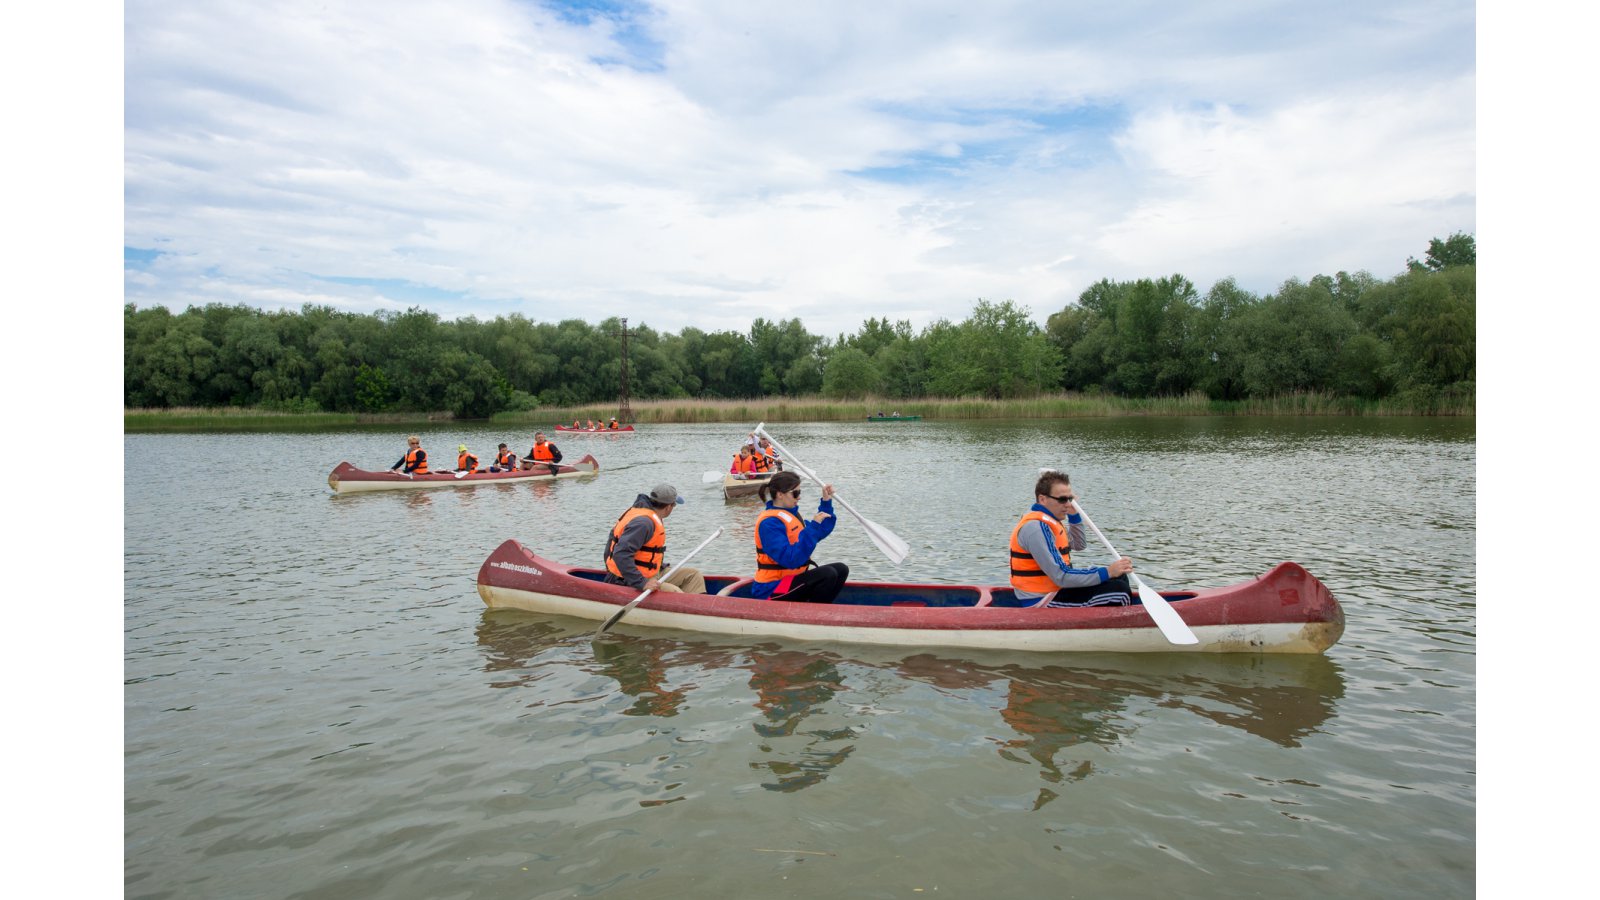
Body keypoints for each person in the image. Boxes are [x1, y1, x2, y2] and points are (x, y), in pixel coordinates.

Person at [1008, 470, 1133, 607]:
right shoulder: (1036, 528)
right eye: (1062, 499)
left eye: (1070, 499)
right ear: (1043, 499)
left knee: (1119, 576)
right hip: (1041, 600)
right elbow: (1061, 576)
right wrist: (1107, 571)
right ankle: (1125, 624)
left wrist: (1074, 515)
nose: (1067, 504)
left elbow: (1079, 544)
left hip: (1057, 589)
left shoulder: (1051, 522)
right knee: (1120, 591)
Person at [751, 471, 848, 603]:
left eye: (799, 492)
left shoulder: (791, 516)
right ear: (780, 494)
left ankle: (819, 610)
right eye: (795, 493)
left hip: (791, 579)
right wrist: (812, 527)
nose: (799, 497)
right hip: (771, 587)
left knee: (841, 569)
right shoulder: (769, 524)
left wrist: (826, 502)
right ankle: (812, 617)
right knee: (828, 574)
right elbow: (791, 559)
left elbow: (820, 531)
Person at [604, 483, 706, 595]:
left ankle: (700, 607)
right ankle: (688, 608)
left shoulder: (648, 516)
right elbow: (620, 554)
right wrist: (642, 583)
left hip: (651, 573)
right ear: (668, 507)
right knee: (676, 593)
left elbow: (611, 541)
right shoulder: (644, 524)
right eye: (674, 505)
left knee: (693, 575)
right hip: (629, 579)